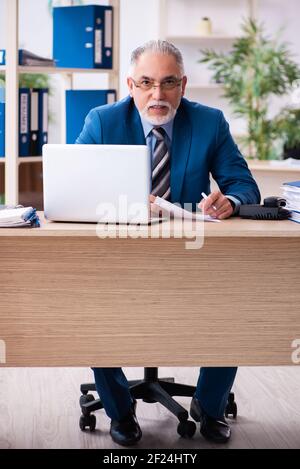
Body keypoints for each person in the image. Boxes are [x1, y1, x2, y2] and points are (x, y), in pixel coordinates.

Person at [76, 40, 260, 446]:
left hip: (188, 255)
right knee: (87, 305)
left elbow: (244, 185)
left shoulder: (209, 122)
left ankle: (209, 406)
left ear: (183, 85)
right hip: (117, 252)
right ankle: (120, 409)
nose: (157, 94)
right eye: (146, 82)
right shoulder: (103, 121)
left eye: (168, 82)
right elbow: (75, 186)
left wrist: (229, 200)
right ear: (131, 84)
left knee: (236, 302)